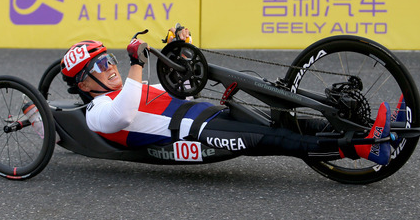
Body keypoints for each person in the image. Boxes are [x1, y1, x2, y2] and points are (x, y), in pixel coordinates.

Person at [60, 27, 392, 165]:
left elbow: (180, 87)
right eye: (99, 66)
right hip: (198, 137)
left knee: (293, 122)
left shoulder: (133, 88)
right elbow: (124, 116)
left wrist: (180, 54)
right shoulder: (98, 110)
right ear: (85, 85)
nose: (109, 67)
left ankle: (371, 132)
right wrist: (135, 63)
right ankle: (362, 147)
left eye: (108, 60)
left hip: (210, 116)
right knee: (277, 138)